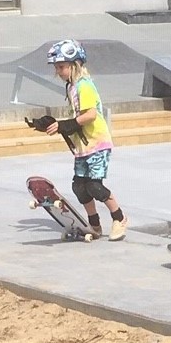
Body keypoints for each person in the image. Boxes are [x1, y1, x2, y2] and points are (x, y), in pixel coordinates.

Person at [42, 39, 128, 240]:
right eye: (57, 68)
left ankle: (120, 218)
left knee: (94, 186)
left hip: (98, 144)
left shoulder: (84, 85)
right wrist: (54, 125)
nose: (59, 72)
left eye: (62, 67)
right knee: (79, 186)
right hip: (83, 146)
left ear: (75, 65)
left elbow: (90, 115)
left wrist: (64, 125)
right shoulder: (71, 87)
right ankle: (95, 225)